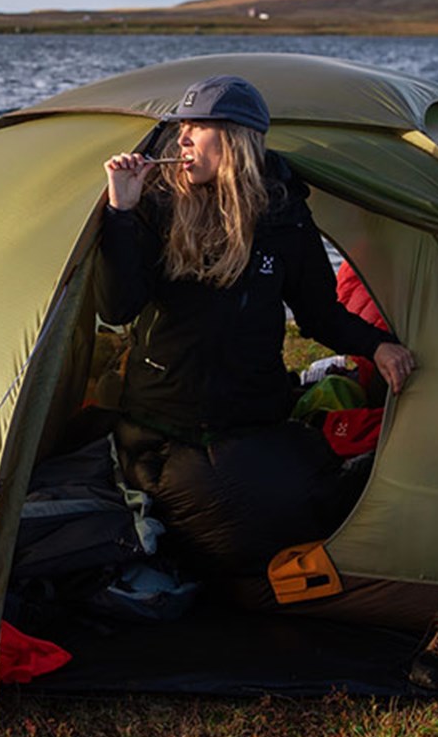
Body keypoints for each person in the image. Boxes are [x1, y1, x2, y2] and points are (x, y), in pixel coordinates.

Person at [96, 75, 416, 576]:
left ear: (237, 140)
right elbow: (117, 308)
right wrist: (121, 211)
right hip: (162, 426)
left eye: (199, 128)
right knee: (237, 537)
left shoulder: (283, 214)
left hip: (250, 420)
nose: (182, 138)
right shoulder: (156, 204)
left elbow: (319, 313)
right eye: (183, 126)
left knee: (307, 509)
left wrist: (377, 347)